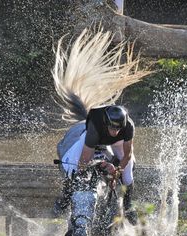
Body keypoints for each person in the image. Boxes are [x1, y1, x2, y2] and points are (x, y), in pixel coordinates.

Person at [51, 27, 151, 225]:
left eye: (118, 129)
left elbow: (127, 155)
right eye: (112, 128)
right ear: (107, 124)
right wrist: (91, 167)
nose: (115, 131)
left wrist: (116, 169)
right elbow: (86, 157)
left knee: (128, 173)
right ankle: (64, 198)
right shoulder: (96, 125)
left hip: (116, 144)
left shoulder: (127, 127)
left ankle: (129, 204)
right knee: (76, 171)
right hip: (90, 140)